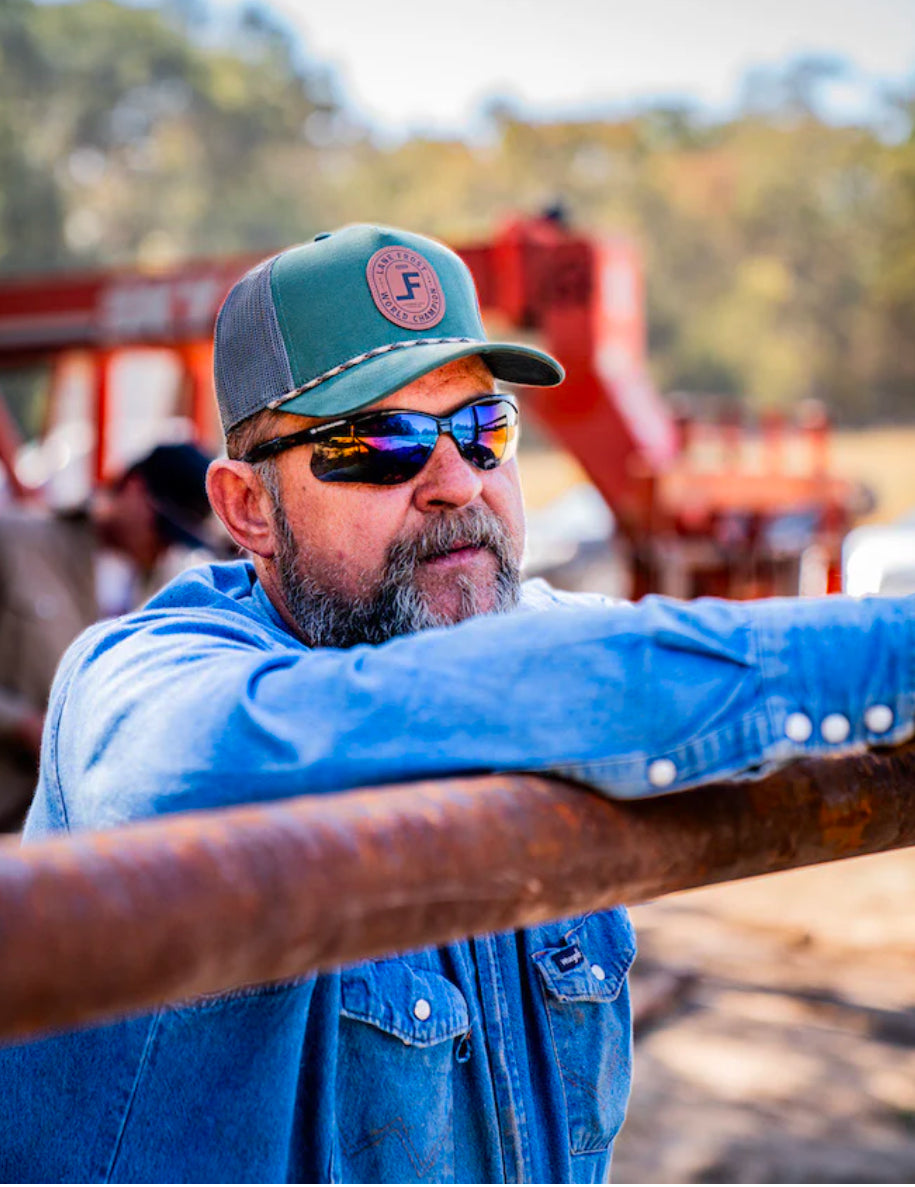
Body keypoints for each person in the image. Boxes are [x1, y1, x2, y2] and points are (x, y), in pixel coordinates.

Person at [0, 224, 912, 1184]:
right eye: (377, 443)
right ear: (247, 510)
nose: (455, 480)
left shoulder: (529, 636)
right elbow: (201, 761)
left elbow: (618, 660)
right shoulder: (141, 679)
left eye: (485, 430)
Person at [0, 442, 214, 831]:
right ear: (132, 488)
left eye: (177, 537)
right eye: (163, 527)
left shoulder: (172, 589)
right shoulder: (15, 544)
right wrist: (22, 723)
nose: (165, 546)